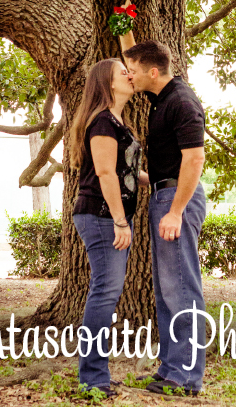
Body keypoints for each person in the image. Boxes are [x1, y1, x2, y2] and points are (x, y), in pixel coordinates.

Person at [119, 34, 207, 395]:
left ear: (153, 72)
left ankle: (185, 378)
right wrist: (125, 24)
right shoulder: (163, 96)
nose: (129, 76)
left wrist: (175, 211)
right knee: (167, 290)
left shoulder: (182, 102)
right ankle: (171, 368)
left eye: (134, 71)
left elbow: (195, 159)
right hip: (163, 193)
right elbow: (136, 54)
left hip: (177, 201)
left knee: (182, 289)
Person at [70, 58, 149, 398]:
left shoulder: (118, 122)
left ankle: (94, 373)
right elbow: (106, 174)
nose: (131, 76)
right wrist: (120, 220)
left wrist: (159, 182)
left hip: (109, 216)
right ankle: (92, 378)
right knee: (104, 293)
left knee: (107, 293)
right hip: (102, 216)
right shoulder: (103, 122)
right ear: (107, 83)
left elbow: (127, 172)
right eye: (123, 72)